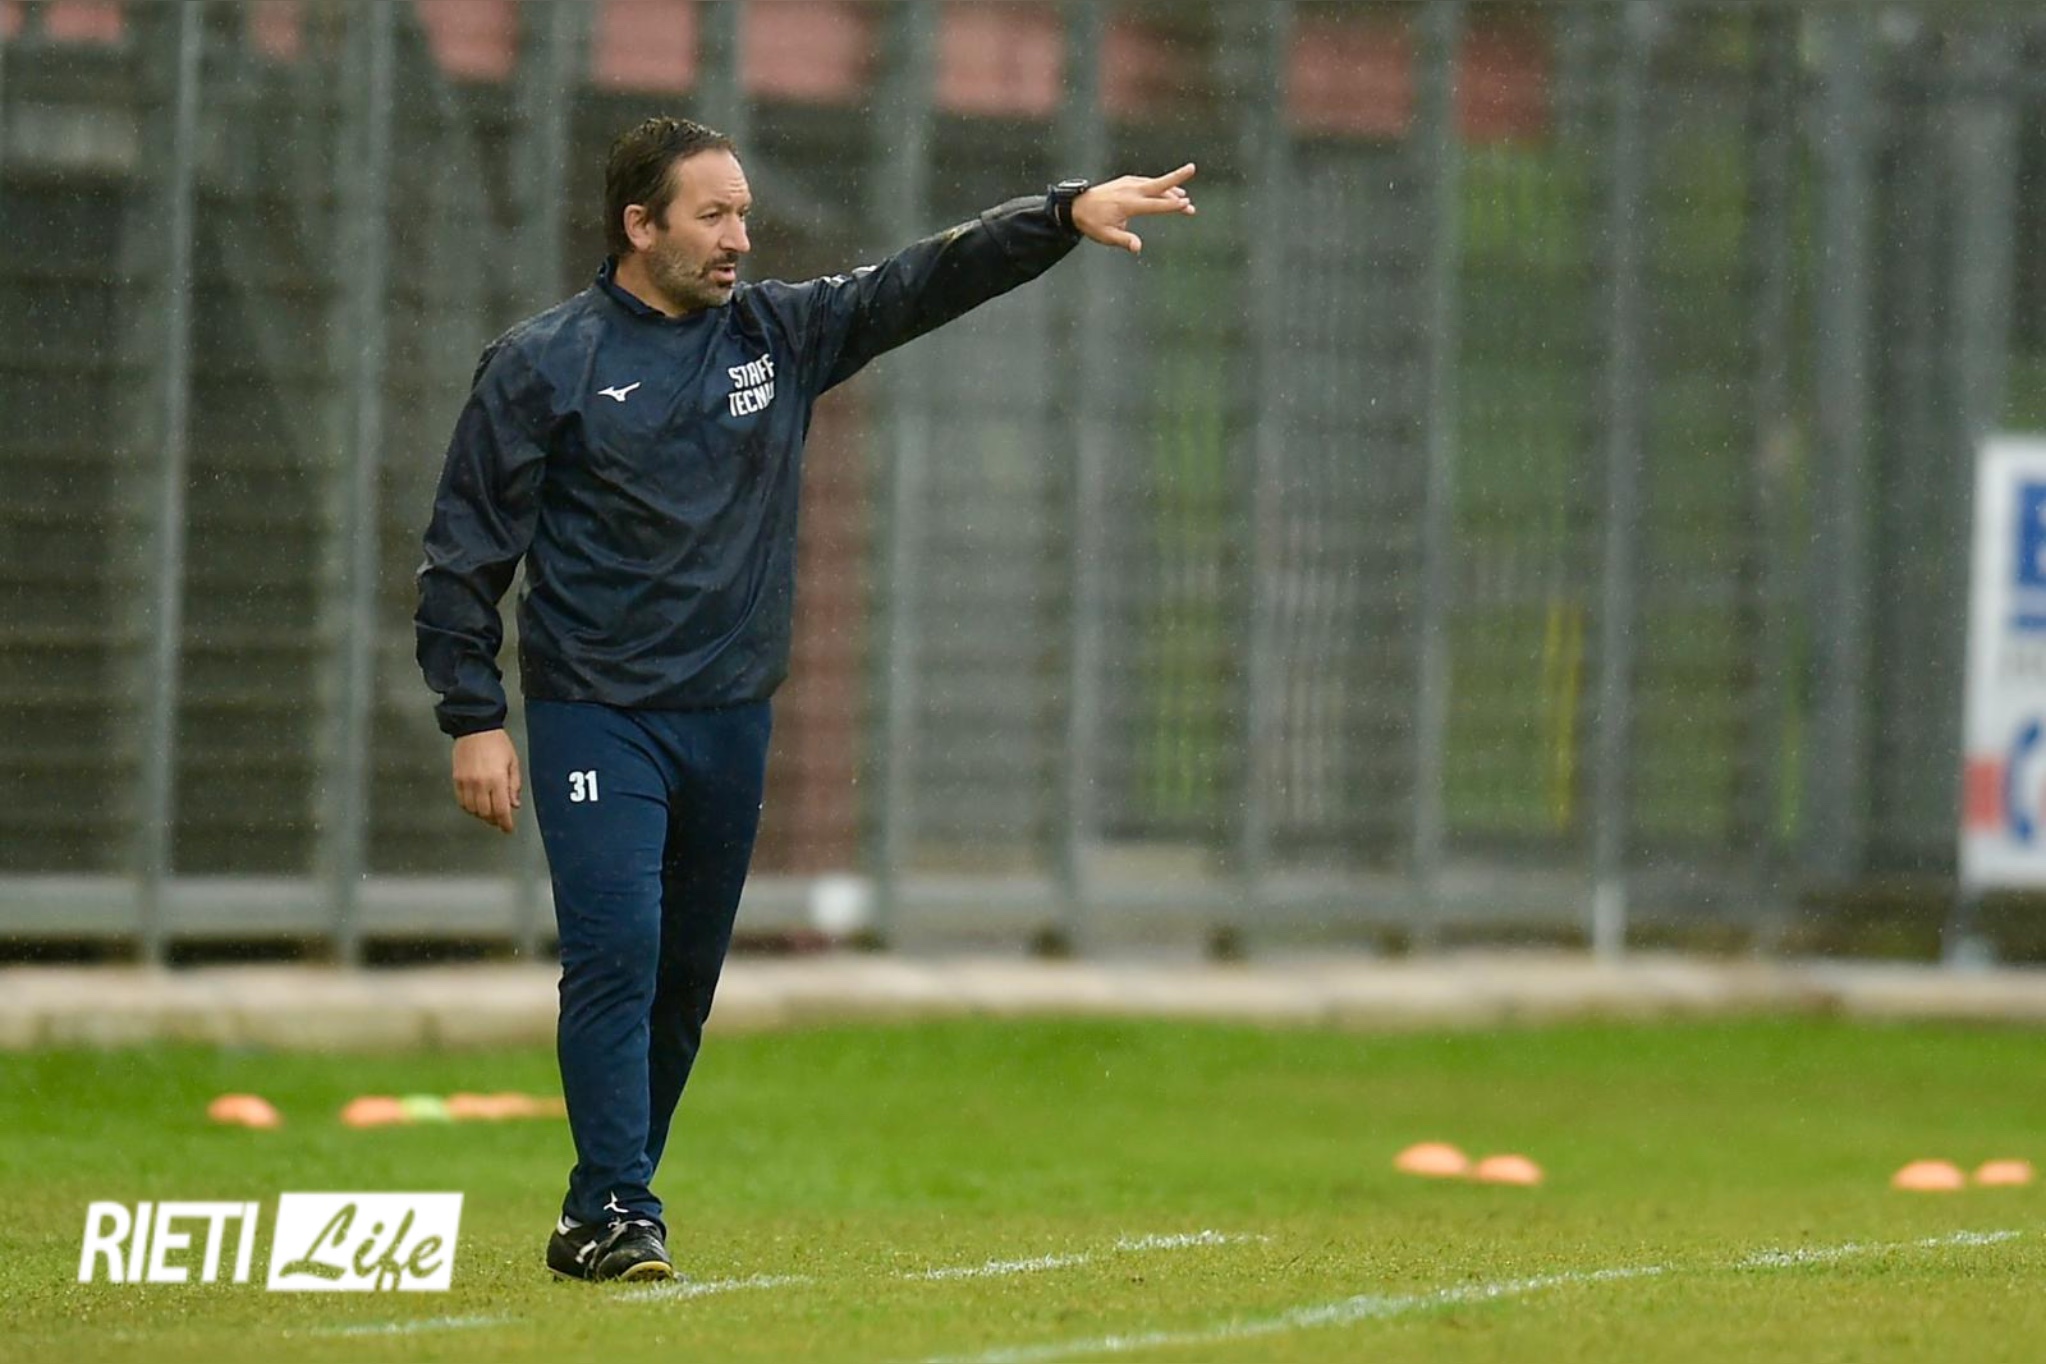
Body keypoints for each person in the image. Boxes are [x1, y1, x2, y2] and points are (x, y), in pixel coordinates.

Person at [414, 115, 1195, 1284]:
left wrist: (1059, 214)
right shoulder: (541, 364)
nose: (740, 236)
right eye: (713, 215)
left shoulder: (776, 336)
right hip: (597, 712)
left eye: (743, 213)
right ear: (641, 226)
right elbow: (464, 552)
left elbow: (919, 281)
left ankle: (597, 1208)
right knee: (618, 948)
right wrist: (473, 715)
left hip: (731, 717)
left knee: (683, 978)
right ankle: (623, 1201)